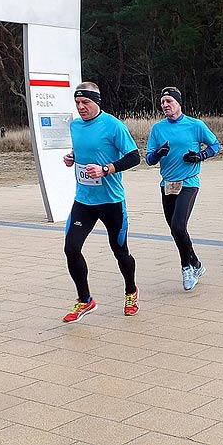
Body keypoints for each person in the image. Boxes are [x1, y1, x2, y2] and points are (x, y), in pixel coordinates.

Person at [62, 82, 140, 322]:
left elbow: (135, 157)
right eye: (77, 103)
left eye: (85, 102)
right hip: (84, 200)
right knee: (71, 249)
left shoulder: (114, 126)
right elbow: (85, 151)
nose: (81, 107)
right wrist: (72, 157)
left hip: (111, 201)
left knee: (120, 251)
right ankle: (85, 301)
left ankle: (131, 291)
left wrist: (107, 169)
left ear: (97, 101)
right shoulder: (75, 126)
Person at [146, 86, 220, 291]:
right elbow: (148, 159)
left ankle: (186, 267)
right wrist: (158, 153)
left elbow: (215, 145)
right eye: (162, 102)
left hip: (189, 181)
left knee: (178, 226)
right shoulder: (157, 129)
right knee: (175, 229)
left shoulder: (195, 125)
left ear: (179, 103)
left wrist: (201, 156)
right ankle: (196, 263)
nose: (165, 105)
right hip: (168, 184)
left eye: (169, 101)